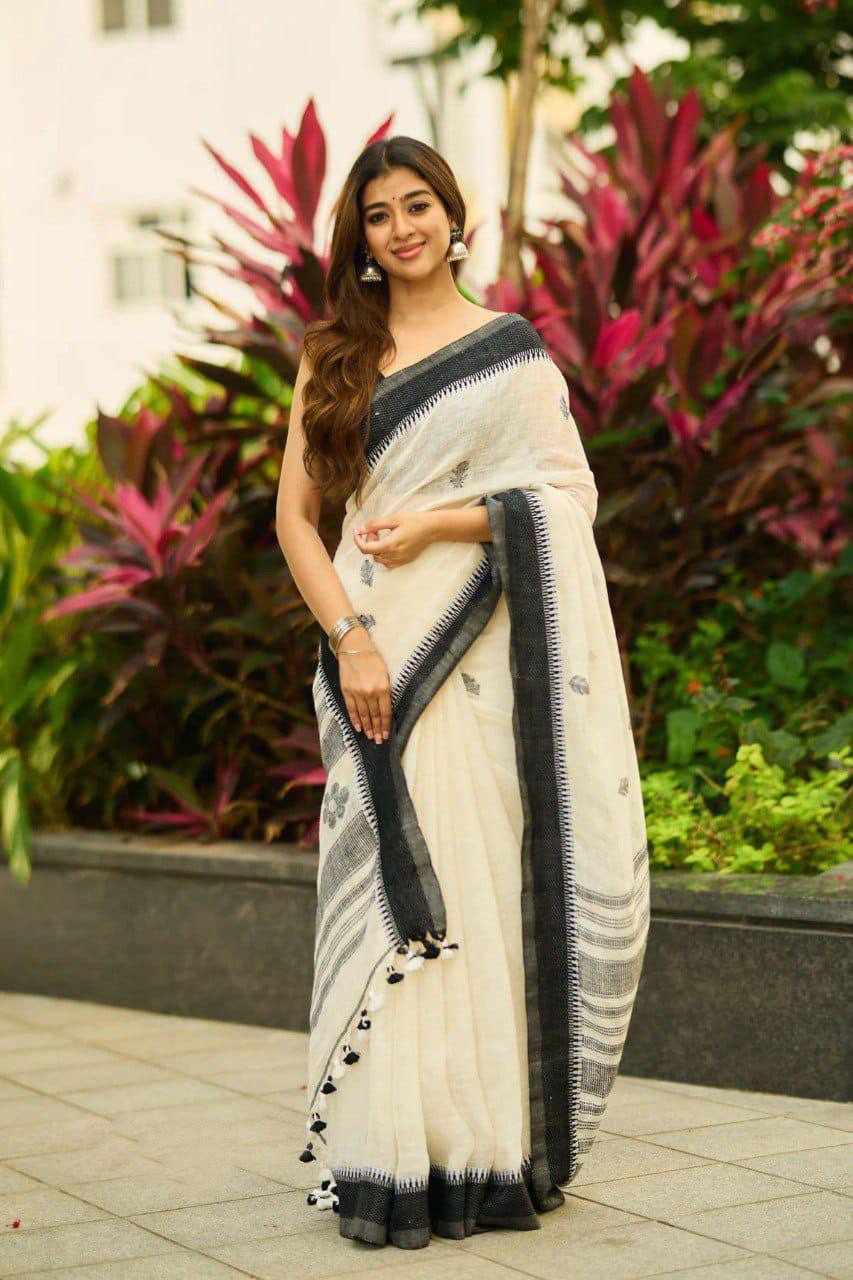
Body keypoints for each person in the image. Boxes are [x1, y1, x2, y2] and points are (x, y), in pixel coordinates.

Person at [275, 135, 650, 1251]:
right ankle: (386, 1155)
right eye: (379, 213)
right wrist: (349, 640)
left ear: (452, 215)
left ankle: (477, 1153)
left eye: (418, 204)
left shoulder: (511, 353)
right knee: (387, 895)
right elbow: (295, 519)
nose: (402, 227)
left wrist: (441, 521)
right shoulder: (334, 354)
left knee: (473, 894)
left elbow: (564, 497)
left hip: (476, 654)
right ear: (361, 237)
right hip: (374, 647)